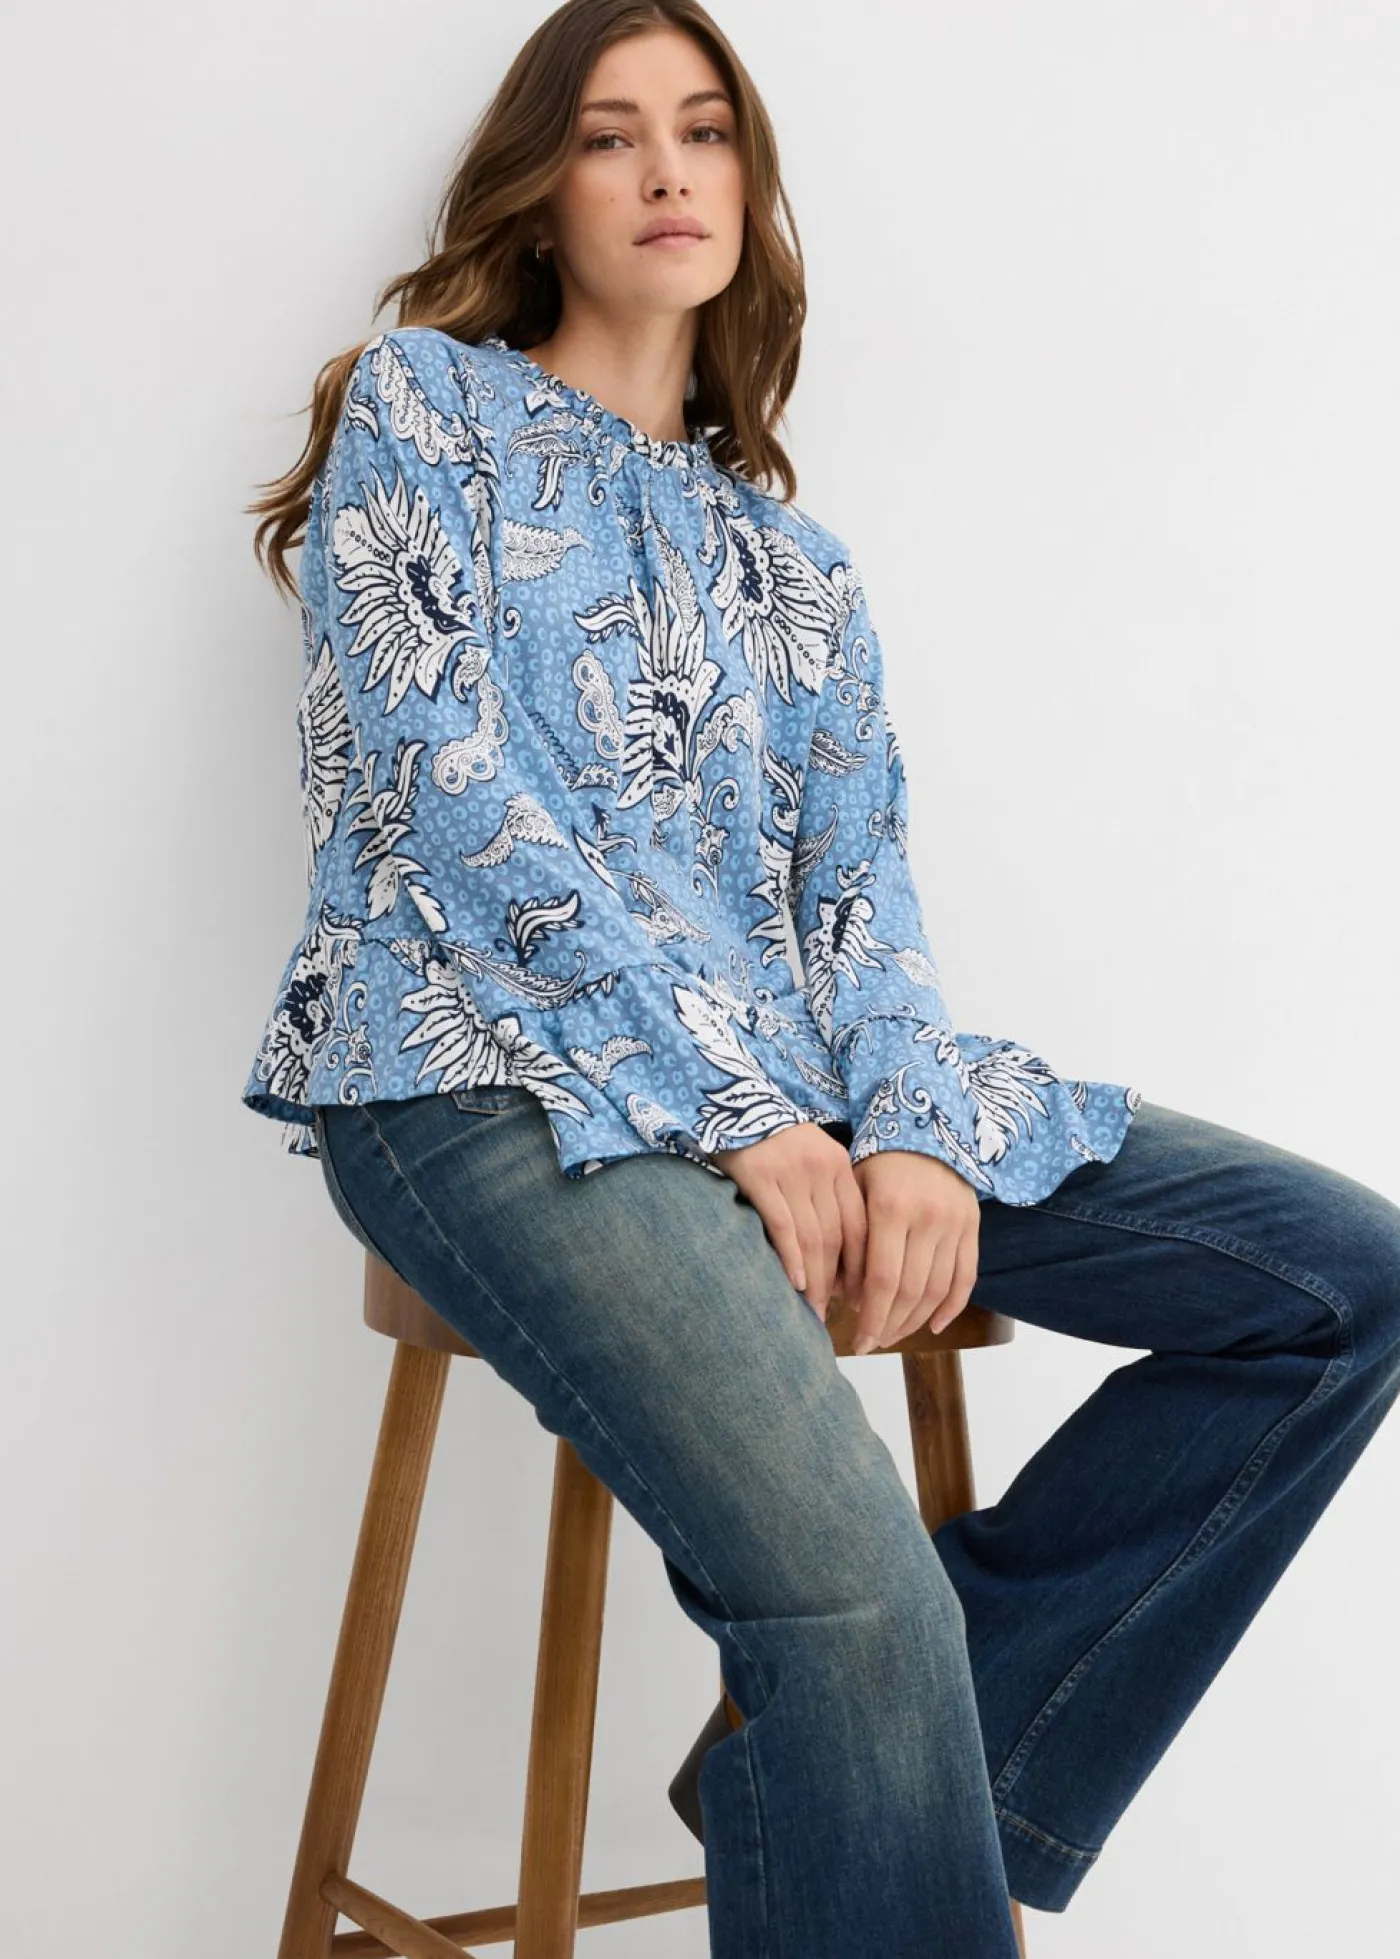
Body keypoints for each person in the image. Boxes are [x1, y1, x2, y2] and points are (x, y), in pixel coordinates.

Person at [240, 4, 1400, 1953]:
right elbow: (452, 807)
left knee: (1338, 1281)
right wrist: (734, 1108)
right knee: (853, 1599)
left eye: (705, 130)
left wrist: (917, 1133)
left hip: (799, 1088)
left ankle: (876, 1772)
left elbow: (861, 907)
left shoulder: (797, 572)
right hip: (473, 1073)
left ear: (751, 187)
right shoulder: (422, 410)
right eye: (610, 135)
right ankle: (865, 1732)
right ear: (544, 190)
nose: (665, 170)